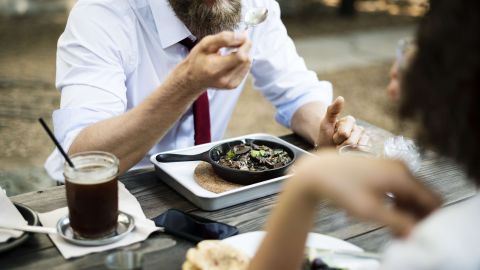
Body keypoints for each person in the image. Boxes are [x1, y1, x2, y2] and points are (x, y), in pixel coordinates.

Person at [248, 0, 480, 269]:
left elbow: (296, 90)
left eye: (421, 51)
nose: (394, 86)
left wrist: (305, 185)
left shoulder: (437, 253)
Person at [44, 0, 369, 181]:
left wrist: (323, 130)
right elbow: (82, 159)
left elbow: (296, 93)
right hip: (118, 194)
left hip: (211, 186)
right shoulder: (103, 16)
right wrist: (185, 83)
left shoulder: (253, 7)